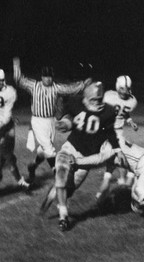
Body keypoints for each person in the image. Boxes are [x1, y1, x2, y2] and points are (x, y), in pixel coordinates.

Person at [40, 81, 127, 231]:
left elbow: (110, 132)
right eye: (93, 99)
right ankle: (64, 217)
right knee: (61, 174)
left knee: (68, 191)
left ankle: (55, 190)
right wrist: (66, 123)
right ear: (86, 98)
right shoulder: (77, 103)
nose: (97, 103)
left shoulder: (108, 112)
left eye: (99, 99)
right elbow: (69, 117)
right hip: (70, 148)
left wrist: (118, 150)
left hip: (86, 158)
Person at [13, 57, 89, 185]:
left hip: (51, 121)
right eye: (45, 76)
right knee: (49, 149)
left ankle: (33, 165)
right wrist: (16, 67)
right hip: (37, 121)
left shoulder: (56, 87)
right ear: (41, 77)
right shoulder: (34, 85)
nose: (48, 79)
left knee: (44, 149)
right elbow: (19, 80)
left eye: (50, 77)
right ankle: (58, 175)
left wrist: (83, 84)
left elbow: (70, 89)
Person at [93, 139, 144, 227]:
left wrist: (100, 198)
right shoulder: (111, 149)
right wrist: (100, 196)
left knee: (140, 189)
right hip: (143, 167)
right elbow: (107, 181)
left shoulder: (109, 149)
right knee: (136, 200)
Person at [0, 68, 28, 188]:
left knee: (7, 152)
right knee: (10, 157)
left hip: (7, 124)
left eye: (1, 80)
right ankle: (20, 181)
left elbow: (6, 116)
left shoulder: (9, 91)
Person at [102, 75, 139, 187]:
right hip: (105, 129)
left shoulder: (132, 101)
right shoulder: (108, 96)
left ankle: (127, 175)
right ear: (117, 87)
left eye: (127, 89)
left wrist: (130, 121)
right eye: (122, 88)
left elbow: (124, 110)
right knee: (113, 154)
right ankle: (125, 176)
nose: (125, 91)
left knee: (115, 154)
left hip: (117, 131)